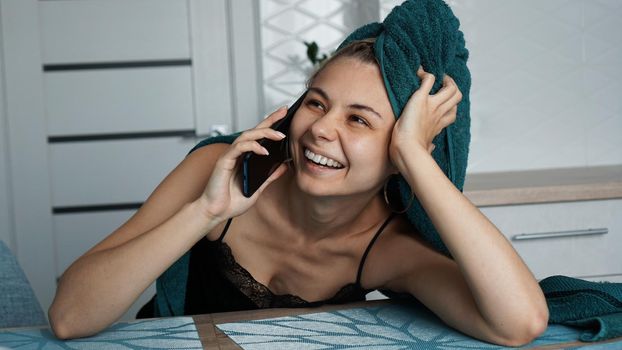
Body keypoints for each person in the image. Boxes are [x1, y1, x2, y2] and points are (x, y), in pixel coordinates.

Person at [48, 37, 548, 345]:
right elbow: (70, 317)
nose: (321, 129)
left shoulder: (385, 249)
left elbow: (519, 323)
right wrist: (204, 212)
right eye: (315, 103)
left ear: (398, 152)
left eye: (358, 119)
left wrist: (417, 157)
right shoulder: (221, 170)